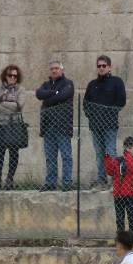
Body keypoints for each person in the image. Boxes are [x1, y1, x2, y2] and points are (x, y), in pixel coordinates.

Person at [84, 55, 127, 189]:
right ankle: (102, 181)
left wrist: (107, 113)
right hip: (95, 125)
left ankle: (114, 182)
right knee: (99, 154)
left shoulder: (117, 82)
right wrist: (91, 116)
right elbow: (86, 104)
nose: (101, 68)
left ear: (109, 67)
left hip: (109, 125)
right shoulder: (92, 84)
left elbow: (121, 101)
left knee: (110, 153)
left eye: (104, 65)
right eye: (99, 66)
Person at [35, 61, 74, 192]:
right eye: (52, 69)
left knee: (66, 156)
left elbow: (64, 95)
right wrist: (55, 93)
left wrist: (48, 99)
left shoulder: (68, 83)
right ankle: (50, 183)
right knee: (50, 157)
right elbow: (38, 94)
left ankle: (67, 183)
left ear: (62, 70)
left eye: (56, 68)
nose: (54, 71)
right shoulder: (46, 84)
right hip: (48, 127)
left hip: (63, 126)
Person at [0, 64, 27, 190]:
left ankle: (10, 179)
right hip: (1, 125)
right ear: (5, 76)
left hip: (15, 125)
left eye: (15, 76)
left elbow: (19, 106)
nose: (12, 78)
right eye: (10, 75)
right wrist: (10, 106)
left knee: (13, 152)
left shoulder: (21, 90)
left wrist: (4, 103)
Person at [104, 137, 133, 236]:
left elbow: (132, 167)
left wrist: (127, 155)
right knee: (120, 218)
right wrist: (107, 158)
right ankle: (121, 236)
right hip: (119, 193)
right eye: (128, 146)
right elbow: (110, 172)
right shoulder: (118, 160)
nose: (130, 148)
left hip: (131, 193)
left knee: (132, 216)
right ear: (124, 147)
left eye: (132, 146)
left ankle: (132, 235)